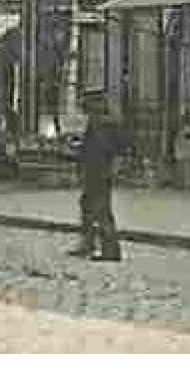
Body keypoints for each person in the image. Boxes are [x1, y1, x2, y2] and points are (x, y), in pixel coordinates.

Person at [68, 91, 122, 262]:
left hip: (98, 172)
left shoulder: (102, 125)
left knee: (101, 211)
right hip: (94, 171)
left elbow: (100, 150)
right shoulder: (98, 123)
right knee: (88, 207)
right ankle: (88, 243)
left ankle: (110, 250)